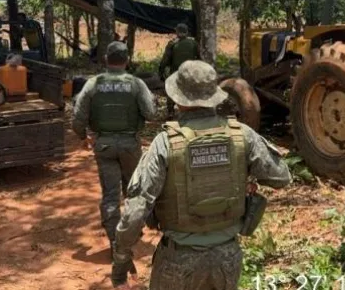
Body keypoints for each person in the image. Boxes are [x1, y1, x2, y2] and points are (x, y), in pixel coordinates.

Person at [111, 60, 292, 289]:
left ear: (178, 99)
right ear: (214, 96)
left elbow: (136, 210)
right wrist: (247, 175)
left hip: (178, 261)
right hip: (226, 258)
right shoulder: (242, 136)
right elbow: (281, 177)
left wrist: (121, 261)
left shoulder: (165, 144)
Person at [72, 41, 157, 253]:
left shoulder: (93, 84)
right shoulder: (136, 84)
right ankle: (132, 232)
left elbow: (78, 117)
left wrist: (83, 136)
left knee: (110, 195)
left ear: (106, 59)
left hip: (104, 145)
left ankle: (114, 242)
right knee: (133, 191)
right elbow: (151, 113)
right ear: (127, 60)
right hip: (130, 145)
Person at [158, 23, 200, 116]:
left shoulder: (172, 43)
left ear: (177, 32)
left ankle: (171, 112)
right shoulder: (194, 43)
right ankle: (190, 111)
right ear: (187, 32)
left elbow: (165, 60)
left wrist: (161, 72)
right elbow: (200, 58)